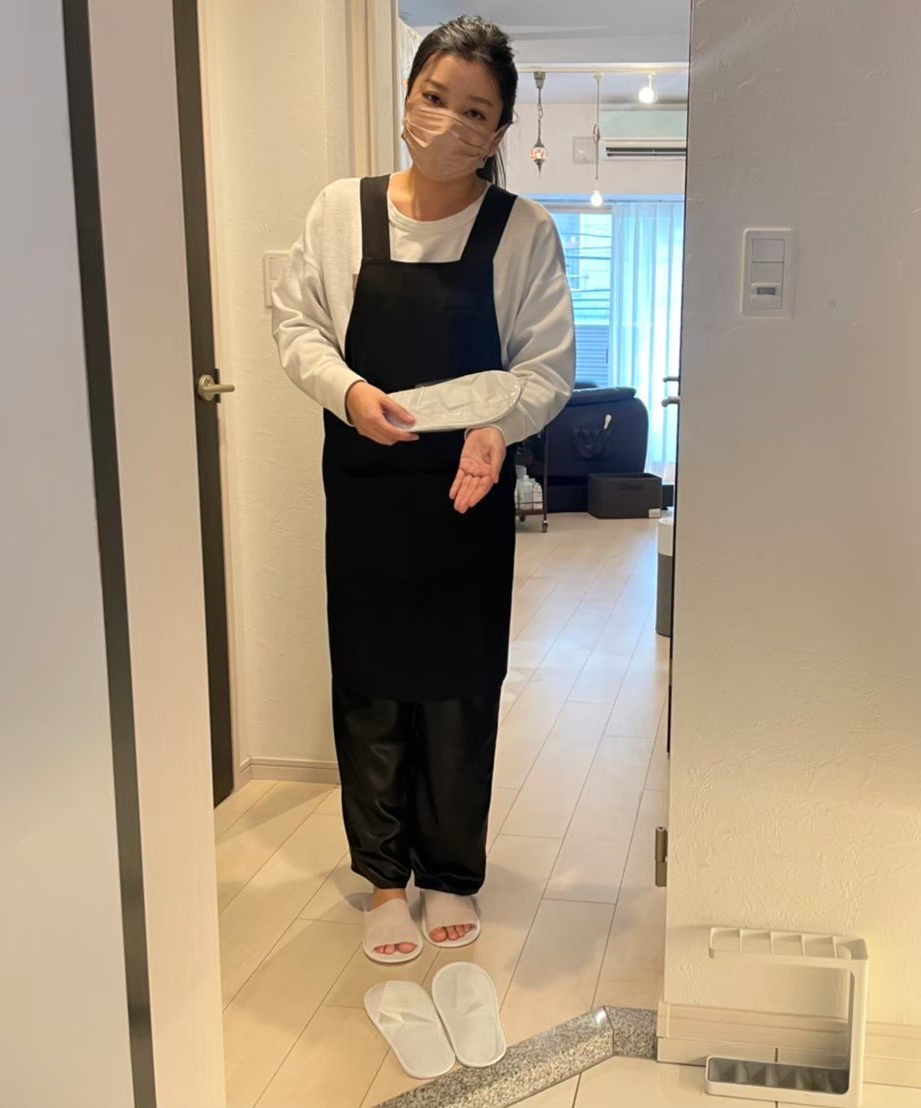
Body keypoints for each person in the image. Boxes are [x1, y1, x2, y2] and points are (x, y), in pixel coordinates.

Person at [271, 16, 574, 964]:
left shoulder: (523, 231)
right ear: (408, 97)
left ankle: (449, 872)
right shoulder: (340, 212)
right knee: (369, 684)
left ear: (500, 130)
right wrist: (348, 393)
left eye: (475, 111)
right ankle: (382, 880)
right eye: (435, 97)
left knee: (459, 685)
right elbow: (297, 325)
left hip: (466, 494)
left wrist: (496, 429)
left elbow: (546, 370)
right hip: (367, 489)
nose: (448, 122)